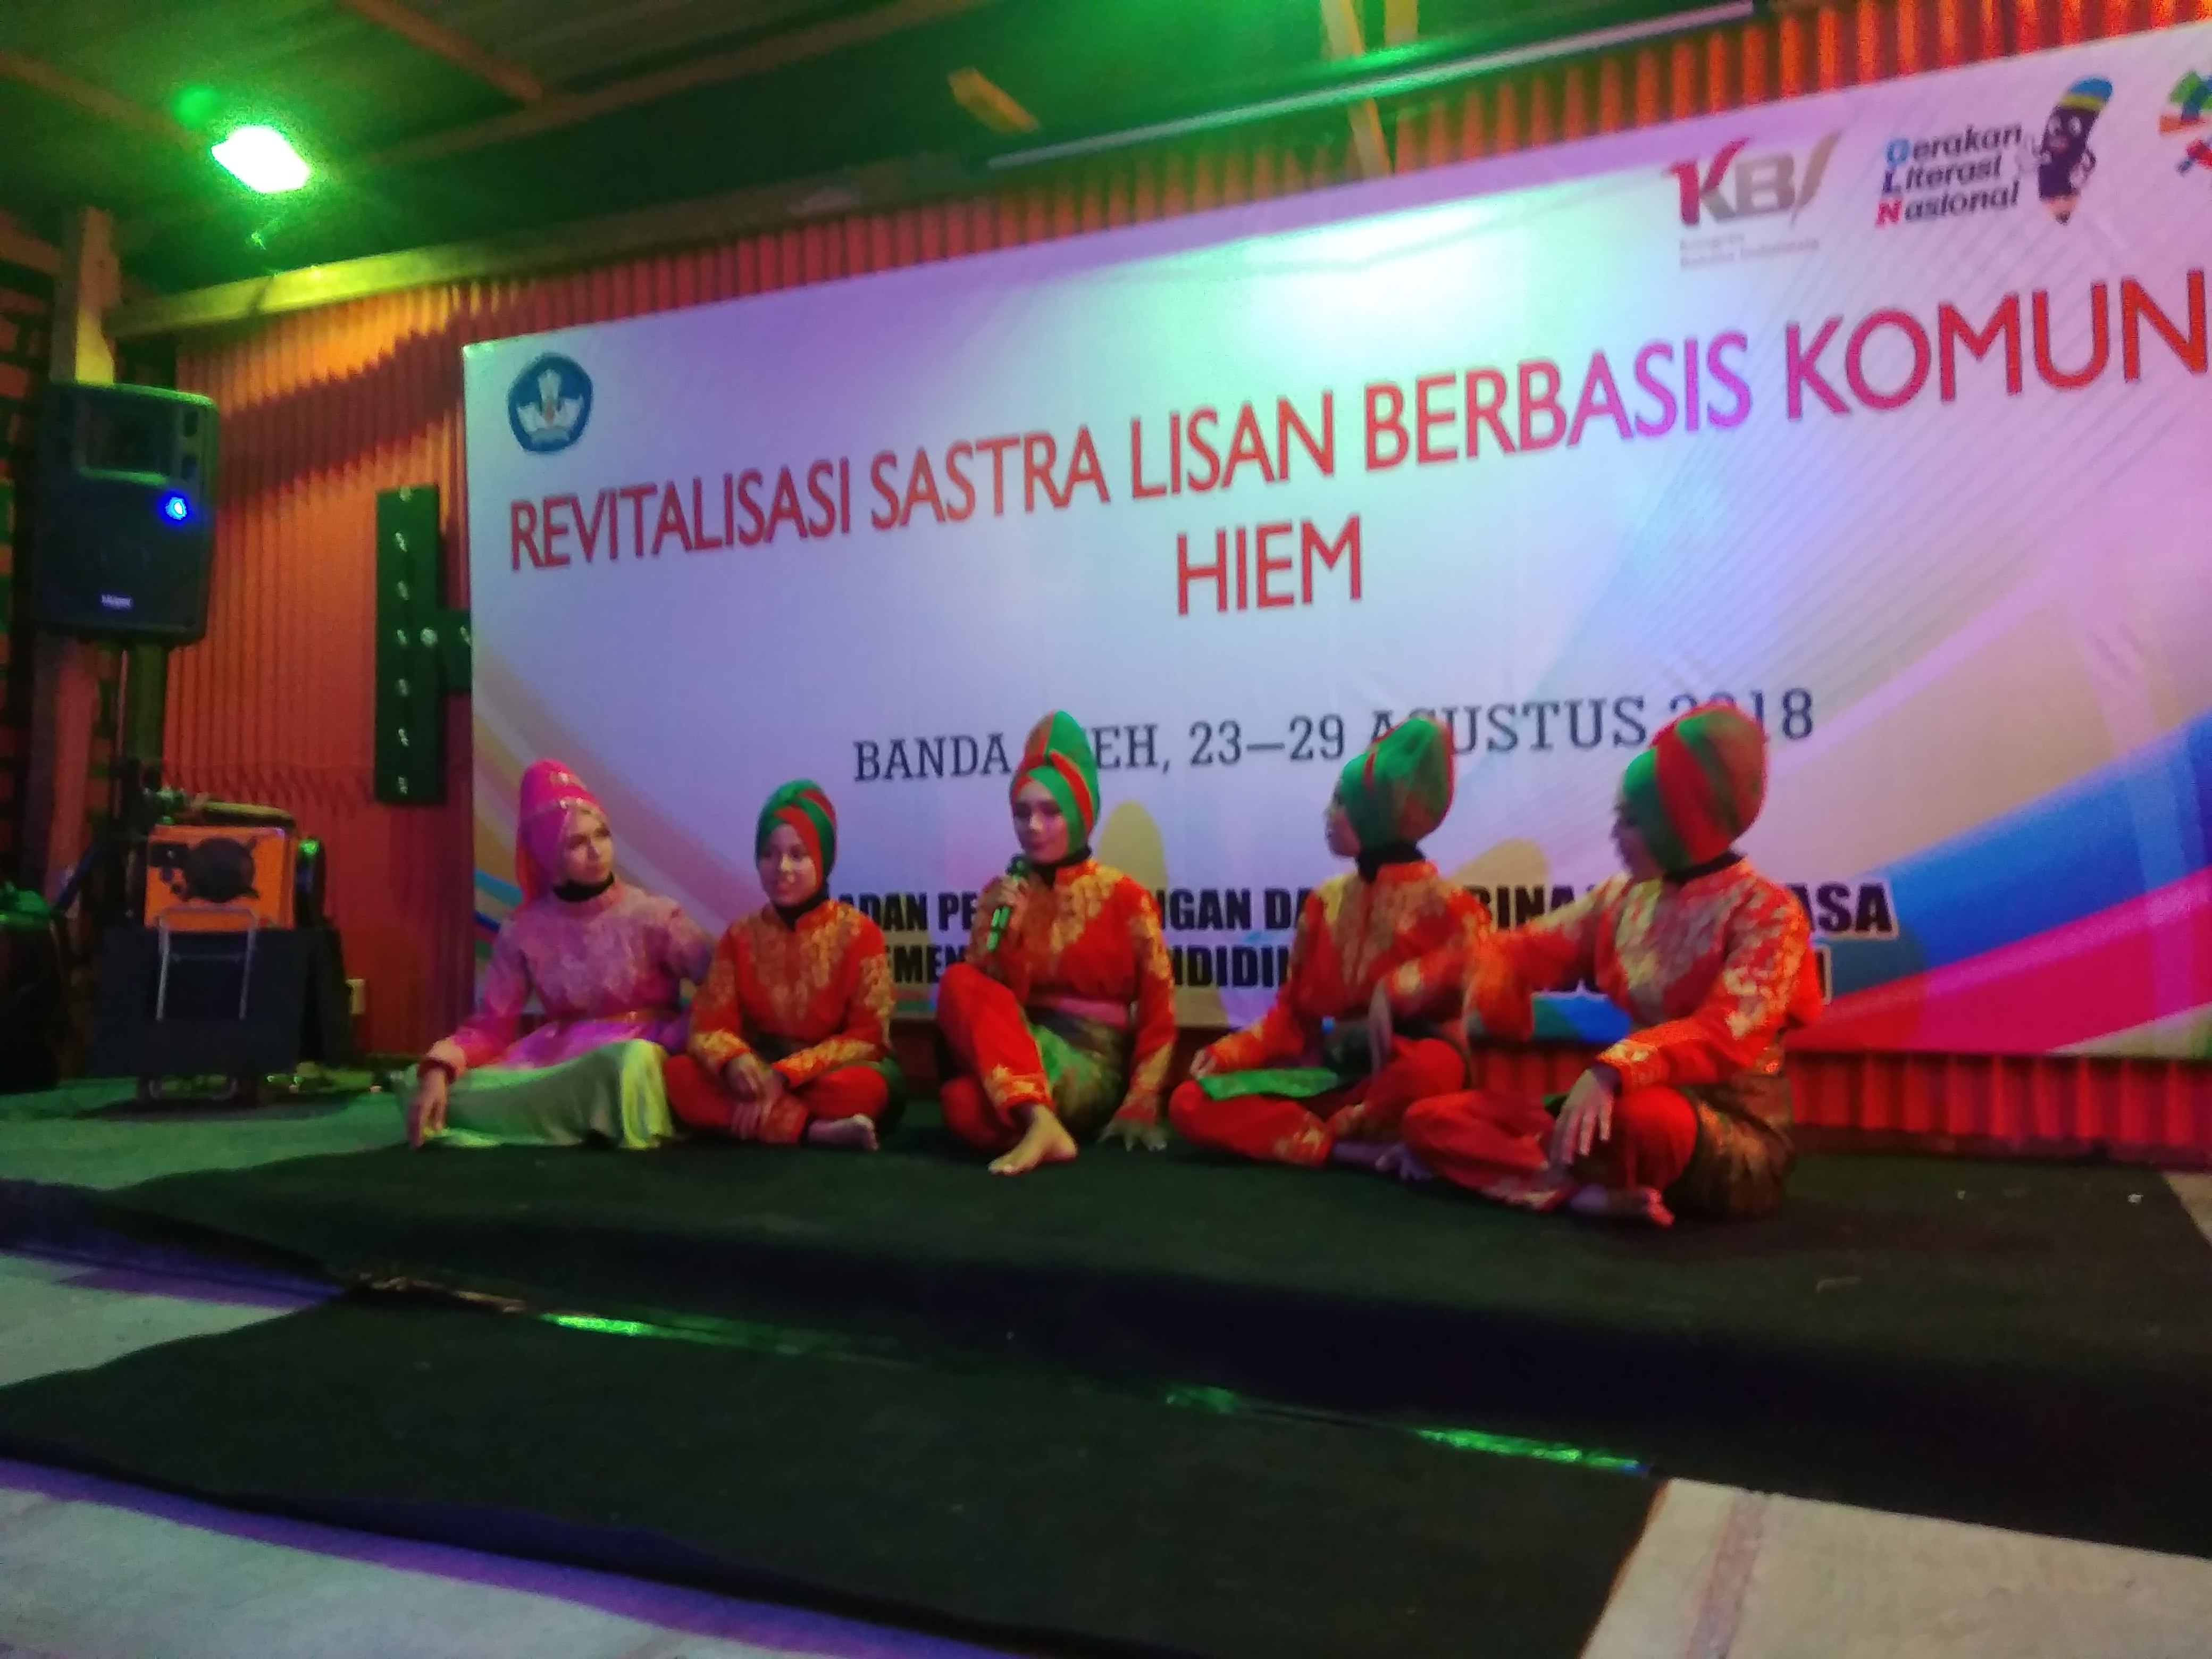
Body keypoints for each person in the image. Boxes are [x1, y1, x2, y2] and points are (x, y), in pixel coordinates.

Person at [1394, 703, 1823, 1225]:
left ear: (1682, 819)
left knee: (1638, 1122)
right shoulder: (1623, 899)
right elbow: (1523, 948)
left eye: (1632, 821)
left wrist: (1613, 1069)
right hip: (1622, 1098)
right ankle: (1581, 1195)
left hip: (1724, 1137)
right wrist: (1408, 983)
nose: (1616, 835)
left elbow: (1723, 1032)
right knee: (1431, 1116)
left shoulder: (1768, 912)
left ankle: (1506, 1172)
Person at [1167, 715, 1492, 1167]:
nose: (1328, 814)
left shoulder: (1454, 909)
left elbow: (1484, 1013)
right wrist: (1227, 1053)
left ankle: (1364, 1134)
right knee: (1190, 1101)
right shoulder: (1325, 903)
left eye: (1342, 801)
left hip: (1405, 1080)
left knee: (1430, 1068)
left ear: (1374, 815)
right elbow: (1291, 1017)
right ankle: (1345, 1148)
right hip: (1337, 1080)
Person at [408, 759, 714, 1149]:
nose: (596, 851)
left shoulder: (654, 915)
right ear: (548, 857)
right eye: (576, 843)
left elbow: (721, 984)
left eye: (602, 835)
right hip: (562, 1065)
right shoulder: (524, 930)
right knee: (426, 1085)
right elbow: (491, 1027)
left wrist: (675, 1036)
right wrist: (440, 1067)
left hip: (642, 1057)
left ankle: (593, 1113)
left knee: (628, 1063)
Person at [934, 711, 1176, 1176]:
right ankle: (1041, 1122)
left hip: (1091, 1066)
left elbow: (1158, 1013)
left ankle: (1038, 1122)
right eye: (1022, 813)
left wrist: (1141, 1100)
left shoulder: (1125, 897)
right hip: (1020, 1047)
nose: (1034, 826)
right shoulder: (1001, 895)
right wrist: (1008, 939)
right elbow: (985, 1009)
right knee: (960, 1089)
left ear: (1080, 814)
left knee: (973, 1103)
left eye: (1050, 812)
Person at [661, 781, 903, 1150]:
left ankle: (763, 1120)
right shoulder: (740, 936)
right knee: (679, 1076)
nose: (782, 868)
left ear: (823, 859)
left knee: (862, 1090)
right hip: (760, 1069)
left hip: (828, 1072)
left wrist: (787, 1075)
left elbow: (868, 1037)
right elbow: (708, 1027)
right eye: (769, 854)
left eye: (798, 855)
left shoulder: (859, 933)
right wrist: (736, 1062)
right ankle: (815, 1131)